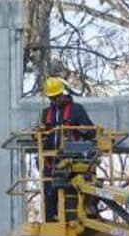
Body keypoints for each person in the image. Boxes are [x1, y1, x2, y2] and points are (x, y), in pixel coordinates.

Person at [38, 77, 95, 223]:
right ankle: (51, 219)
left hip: (73, 158)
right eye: (51, 97)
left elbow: (90, 131)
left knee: (81, 186)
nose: (54, 100)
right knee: (49, 189)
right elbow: (44, 133)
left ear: (62, 93)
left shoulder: (76, 110)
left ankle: (88, 210)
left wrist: (82, 132)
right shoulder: (46, 113)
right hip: (52, 159)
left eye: (56, 96)